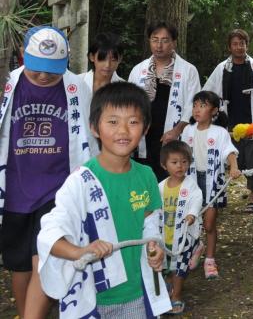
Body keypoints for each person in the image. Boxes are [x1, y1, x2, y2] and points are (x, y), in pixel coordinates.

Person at [37, 82, 171, 317]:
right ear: (94, 128)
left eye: (133, 122)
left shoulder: (146, 176)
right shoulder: (80, 181)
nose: (123, 131)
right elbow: (49, 235)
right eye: (112, 121)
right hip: (92, 299)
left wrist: (155, 247)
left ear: (145, 128)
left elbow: (150, 225)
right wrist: (80, 251)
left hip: (136, 295)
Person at [0, 25, 94, 318]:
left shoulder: (76, 86)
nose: (43, 76)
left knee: (45, 255)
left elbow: (90, 138)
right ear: (22, 57)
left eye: (51, 70)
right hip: (14, 188)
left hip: (57, 186)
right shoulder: (8, 84)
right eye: (37, 68)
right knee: (18, 262)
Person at [203, 29, 253, 213]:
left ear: (247, 45)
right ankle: (219, 194)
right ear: (229, 47)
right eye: (235, 44)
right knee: (234, 157)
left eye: (242, 43)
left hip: (252, 117)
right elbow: (209, 90)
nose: (239, 47)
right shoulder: (222, 68)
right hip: (230, 119)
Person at [128, 22, 200, 182]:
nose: (159, 45)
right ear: (149, 41)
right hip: (144, 135)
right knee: (144, 180)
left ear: (174, 42)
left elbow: (192, 105)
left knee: (170, 180)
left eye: (165, 40)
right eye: (155, 39)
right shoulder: (138, 70)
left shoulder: (188, 70)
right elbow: (130, 104)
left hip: (173, 136)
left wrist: (177, 130)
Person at [181, 90, 240, 280]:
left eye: (203, 106)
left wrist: (234, 167)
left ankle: (210, 259)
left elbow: (229, 151)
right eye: (195, 105)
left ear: (214, 111)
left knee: (209, 223)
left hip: (212, 181)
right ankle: (197, 246)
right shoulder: (187, 130)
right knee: (192, 219)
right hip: (191, 180)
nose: (197, 110)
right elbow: (181, 153)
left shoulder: (220, 132)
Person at [159, 141, 202, 315]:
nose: (180, 166)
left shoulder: (190, 185)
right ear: (164, 165)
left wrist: (191, 214)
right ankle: (169, 285)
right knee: (166, 265)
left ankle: (176, 295)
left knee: (180, 267)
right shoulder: (160, 187)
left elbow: (197, 199)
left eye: (184, 162)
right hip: (165, 235)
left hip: (183, 235)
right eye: (175, 162)